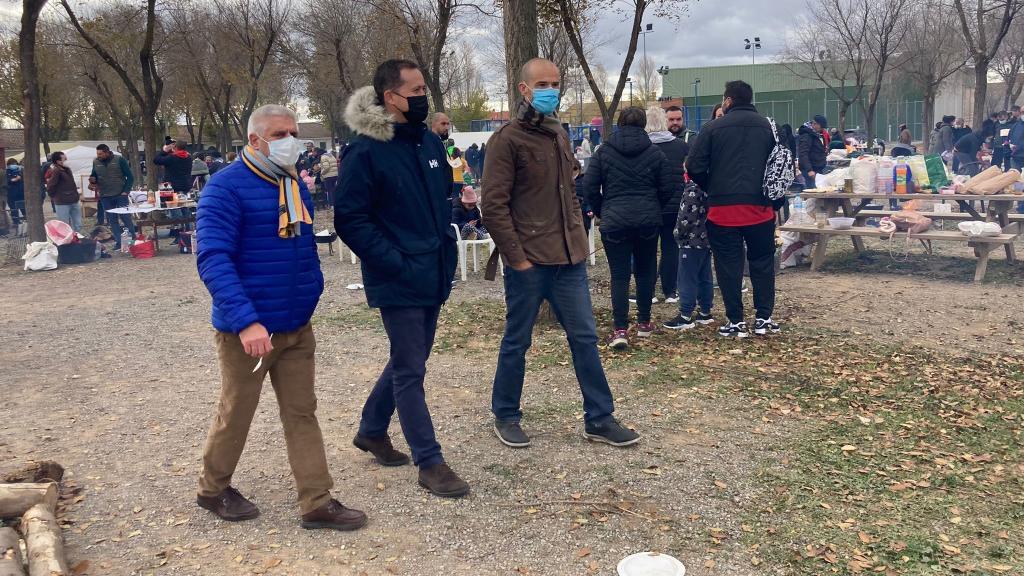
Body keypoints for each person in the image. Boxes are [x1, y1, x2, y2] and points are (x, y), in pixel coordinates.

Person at [194, 104, 366, 531]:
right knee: (237, 412)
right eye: (278, 133)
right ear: (254, 141)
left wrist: (312, 292)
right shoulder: (224, 189)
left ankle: (316, 501)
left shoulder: (293, 185)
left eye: (292, 131)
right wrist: (246, 321)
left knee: (301, 412)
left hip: (295, 326)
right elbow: (213, 258)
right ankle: (212, 490)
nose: (289, 140)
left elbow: (303, 246)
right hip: (248, 331)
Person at [482, 57, 640, 449]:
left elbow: (569, 192)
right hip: (529, 262)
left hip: (569, 260)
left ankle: (599, 418)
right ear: (524, 89)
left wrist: (580, 242)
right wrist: (516, 257)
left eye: (555, 83)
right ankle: (505, 413)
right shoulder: (507, 140)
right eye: (542, 84)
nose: (550, 90)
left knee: (585, 338)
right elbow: (494, 206)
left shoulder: (559, 135)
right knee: (517, 340)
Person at [335, 59, 468, 498]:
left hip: (433, 268)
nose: (423, 97)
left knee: (408, 359)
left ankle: (373, 429)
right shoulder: (365, 150)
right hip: (398, 274)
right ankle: (429, 462)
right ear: (391, 97)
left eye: (424, 88)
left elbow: (437, 201)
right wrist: (392, 261)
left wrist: (454, 227)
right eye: (415, 90)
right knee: (411, 368)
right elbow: (350, 219)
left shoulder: (429, 142)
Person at [686, 80, 779, 338]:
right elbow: (781, 166)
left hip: (723, 209)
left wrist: (712, 186)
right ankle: (763, 317)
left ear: (727, 100)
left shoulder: (712, 128)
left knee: (728, 265)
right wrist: (773, 198)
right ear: (751, 99)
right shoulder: (769, 128)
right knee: (762, 263)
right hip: (760, 208)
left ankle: (735, 320)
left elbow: (693, 165)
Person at [585, 107, 674, 349]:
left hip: (614, 221)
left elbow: (590, 186)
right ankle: (644, 322)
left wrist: (604, 210)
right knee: (645, 271)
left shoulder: (603, 152)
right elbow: (668, 187)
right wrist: (654, 207)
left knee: (619, 274)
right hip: (647, 220)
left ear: (619, 124)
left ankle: (620, 328)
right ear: (644, 125)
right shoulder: (655, 154)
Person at [646, 105, 688, 305]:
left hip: (651, 205)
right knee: (671, 248)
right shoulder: (680, 146)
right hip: (675, 204)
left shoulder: (644, 148)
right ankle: (670, 290)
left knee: (649, 249)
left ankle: (649, 290)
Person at [664, 179, 715, 330]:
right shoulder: (709, 185)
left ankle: (685, 314)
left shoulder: (692, 188)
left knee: (687, 277)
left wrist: (678, 234)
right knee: (705, 276)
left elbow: (686, 215)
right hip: (706, 238)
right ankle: (705, 311)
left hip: (691, 240)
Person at [90, 144, 135, 249]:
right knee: (112, 220)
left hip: (120, 194)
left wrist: (126, 191)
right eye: (97, 154)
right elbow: (94, 175)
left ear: (107, 152)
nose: (98, 156)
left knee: (126, 218)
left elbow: (130, 176)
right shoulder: (96, 162)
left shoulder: (119, 160)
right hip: (105, 196)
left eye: (100, 154)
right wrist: (92, 181)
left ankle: (132, 240)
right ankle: (119, 242)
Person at [46, 152, 81, 231]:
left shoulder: (67, 169)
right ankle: (67, 242)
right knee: (64, 226)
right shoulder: (56, 171)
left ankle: (77, 239)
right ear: (58, 161)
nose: (67, 160)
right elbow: (50, 186)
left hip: (74, 200)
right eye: (65, 159)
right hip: (62, 202)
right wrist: (55, 196)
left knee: (77, 224)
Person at [797, 115, 828, 187]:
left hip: (817, 168)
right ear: (815, 124)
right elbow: (803, 153)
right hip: (810, 170)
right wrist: (809, 170)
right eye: (821, 127)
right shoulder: (807, 136)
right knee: (812, 191)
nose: (822, 129)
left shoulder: (818, 134)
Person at [5, 159, 24, 226]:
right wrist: (15, 179)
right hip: (13, 193)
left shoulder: (21, 170)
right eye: (13, 164)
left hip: (19, 193)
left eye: (15, 164)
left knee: (21, 207)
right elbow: (8, 181)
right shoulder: (7, 171)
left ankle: (23, 221)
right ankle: (16, 222)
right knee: (14, 209)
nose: (14, 165)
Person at [1009, 105, 1024, 171]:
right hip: (1016, 157)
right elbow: (1008, 139)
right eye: (1022, 112)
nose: (1023, 114)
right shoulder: (1015, 125)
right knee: (1016, 179)